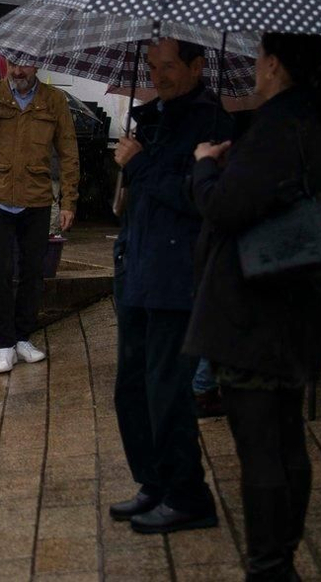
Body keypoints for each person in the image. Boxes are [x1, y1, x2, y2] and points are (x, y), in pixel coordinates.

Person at [188, 32, 321, 581]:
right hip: (300, 303)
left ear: (274, 64)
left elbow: (226, 210)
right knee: (286, 436)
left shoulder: (277, 127)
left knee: (260, 447)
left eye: (258, 58)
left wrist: (206, 166)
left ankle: (270, 566)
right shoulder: (320, 126)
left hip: (254, 310)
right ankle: (283, 554)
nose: (254, 67)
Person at [108, 39, 231, 535]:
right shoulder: (152, 116)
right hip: (138, 262)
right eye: (152, 66)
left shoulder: (212, 122)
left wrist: (137, 164)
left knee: (167, 388)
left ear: (198, 66)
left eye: (169, 66)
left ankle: (188, 495)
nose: (158, 75)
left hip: (177, 269)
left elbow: (195, 197)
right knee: (130, 387)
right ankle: (154, 482)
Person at [0, 62, 79, 374]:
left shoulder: (54, 100)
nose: (18, 71)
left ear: (36, 66)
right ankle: (3, 344)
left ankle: (23, 337)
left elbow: (68, 152)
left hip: (36, 197)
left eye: (25, 65)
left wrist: (69, 200)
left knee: (33, 271)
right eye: (13, 64)